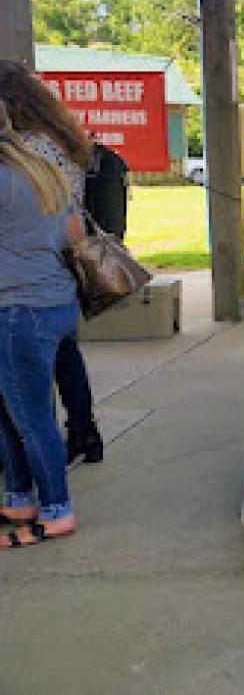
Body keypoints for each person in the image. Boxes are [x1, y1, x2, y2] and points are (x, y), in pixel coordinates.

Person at [0, 60, 102, 464]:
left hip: (31, 260)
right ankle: (84, 431)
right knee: (64, 351)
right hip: (64, 256)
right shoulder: (62, 139)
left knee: (29, 369)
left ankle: (36, 455)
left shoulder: (25, 150)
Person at [0, 102, 83, 548]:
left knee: (32, 418)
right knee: (11, 408)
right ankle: (19, 499)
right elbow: (75, 233)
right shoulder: (41, 168)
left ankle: (55, 511)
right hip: (54, 301)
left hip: (19, 310)